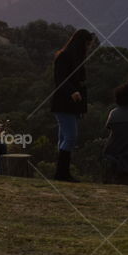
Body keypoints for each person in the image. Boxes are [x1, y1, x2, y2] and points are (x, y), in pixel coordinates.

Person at [50, 28, 95, 182]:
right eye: (87, 44)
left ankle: (61, 172)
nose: (88, 48)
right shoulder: (64, 57)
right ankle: (62, 173)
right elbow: (60, 79)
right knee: (70, 136)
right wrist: (72, 92)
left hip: (72, 104)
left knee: (64, 137)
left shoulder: (76, 59)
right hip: (64, 103)